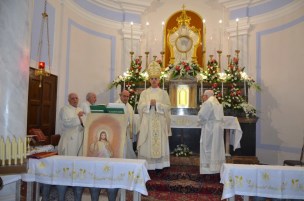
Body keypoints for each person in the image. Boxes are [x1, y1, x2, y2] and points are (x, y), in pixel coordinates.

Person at [137, 61, 171, 170]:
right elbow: (139, 107)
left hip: (159, 122)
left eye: (156, 78)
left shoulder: (163, 93)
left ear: (159, 79)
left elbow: (168, 107)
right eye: (152, 79)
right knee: (147, 142)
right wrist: (148, 104)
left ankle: (160, 164)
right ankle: (148, 164)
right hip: (148, 122)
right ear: (149, 80)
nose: (154, 81)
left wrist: (158, 105)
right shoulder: (144, 93)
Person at [198, 90, 225, 174]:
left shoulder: (208, 103)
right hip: (218, 128)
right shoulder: (218, 103)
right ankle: (217, 167)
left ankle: (208, 168)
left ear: (206, 96)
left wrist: (200, 121)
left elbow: (202, 115)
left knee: (207, 146)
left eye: (203, 96)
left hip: (210, 128)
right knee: (217, 147)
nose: (203, 97)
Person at [116, 90, 136, 159]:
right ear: (120, 95)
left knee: (128, 147)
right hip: (119, 131)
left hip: (127, 131)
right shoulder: (116, 105)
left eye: (127, 96)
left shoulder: (129, 106)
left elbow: (132, 119)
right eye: (124, 96)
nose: (126, 98)